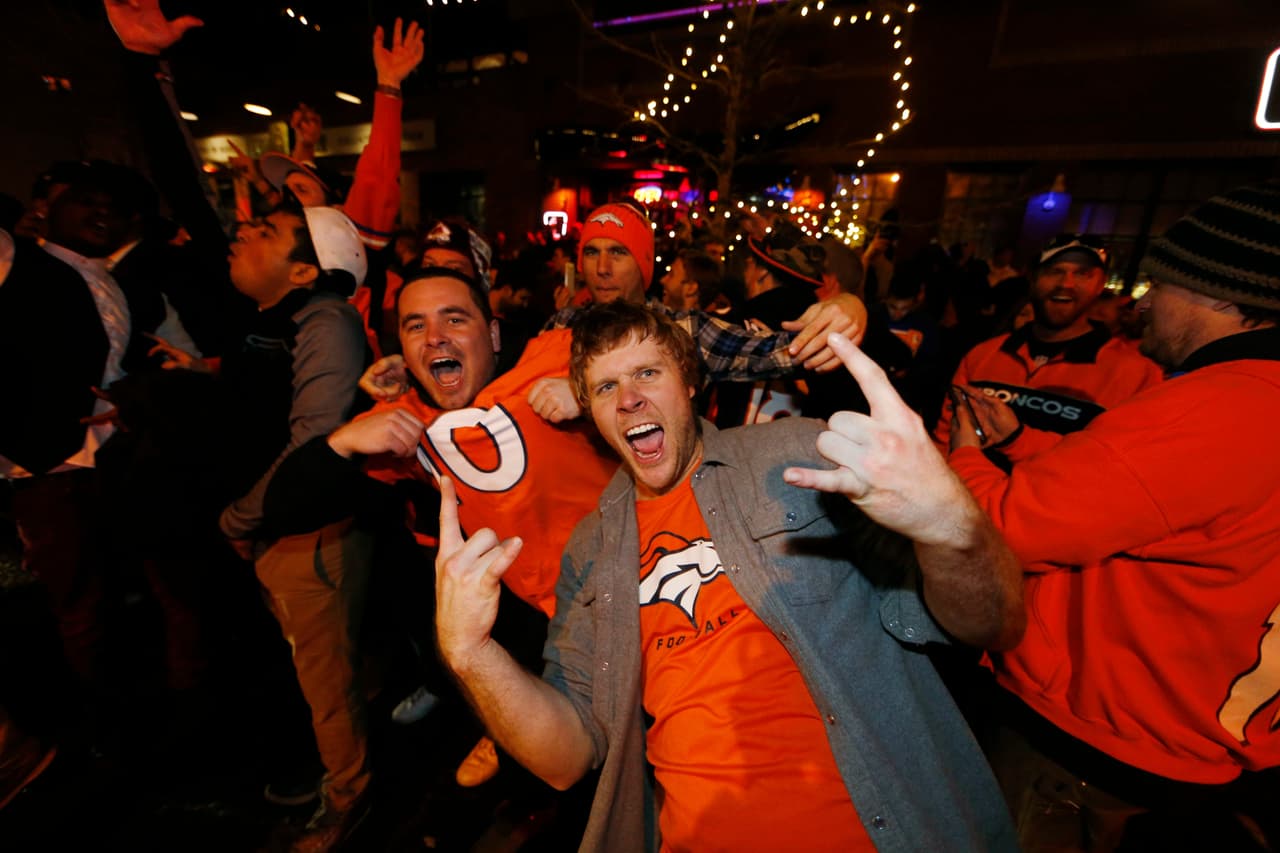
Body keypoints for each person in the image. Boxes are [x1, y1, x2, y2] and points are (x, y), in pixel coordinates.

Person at [434, 300, 1025, 852]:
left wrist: (953, 527)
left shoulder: (795, 454)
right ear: (589, 412)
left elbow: (991, 623)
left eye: (647, 373)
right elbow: (568, 758)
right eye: (606, 386)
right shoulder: (589, 551)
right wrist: (469, 652)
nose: (629, 399)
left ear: (691, 384)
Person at [947, 182, 1280, 851]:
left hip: (1091, 754)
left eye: (1161, 284)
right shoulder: (1253, 402)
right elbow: (1165, 501)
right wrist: (1021, 443)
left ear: (1220, 293)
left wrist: (966, 454)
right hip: (1194, 744)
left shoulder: (1215, 408)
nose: (1142, 301)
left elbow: (999, 529)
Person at [935, 234, 1163, 455]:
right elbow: (945, 441)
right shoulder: (983, 355)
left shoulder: (1135, 373)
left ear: (1100, 284)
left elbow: (1120, 464)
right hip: (970, 490)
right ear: (1033, 279)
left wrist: (1018, 441)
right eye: (1055, 271)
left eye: (1082, 274)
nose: (1066, 284)